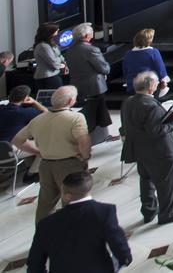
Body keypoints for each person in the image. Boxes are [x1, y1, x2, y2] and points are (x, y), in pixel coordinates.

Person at [120, 71, 173, 225]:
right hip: (159, 151)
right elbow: (156, 130)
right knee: (167, 182)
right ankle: (168, 212)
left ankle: (149, 210)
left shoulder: (129, 101)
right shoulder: (150, 106)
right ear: (150, 86)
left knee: (146, 181)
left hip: (139, 149)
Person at [26, 170, 131, 273]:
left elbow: (34, 263)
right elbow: (118, 243)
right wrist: (125, 259)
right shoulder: (104, 212)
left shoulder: (46, 224)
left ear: (67, 196)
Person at [13, 86, 90, 221]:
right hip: (69, 165)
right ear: (71, 101)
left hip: (46, 166)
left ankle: (44, 236)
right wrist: (85, 156)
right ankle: (75, 236)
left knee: (46, 205)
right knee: (74, 202)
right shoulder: (76, 117)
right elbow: (83, 142)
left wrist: (38, 151)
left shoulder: (38, 119)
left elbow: (18, 140)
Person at [121, 29, 170, 99]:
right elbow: (160, 69)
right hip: (149, 86)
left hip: (132, 86)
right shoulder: (153, 52)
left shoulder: (128, 54)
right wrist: (164, 81)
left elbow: (125, 70)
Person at [31, 24, 66, 93]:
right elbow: (54, 63)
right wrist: (61, 63)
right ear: (49, 32)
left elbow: (59, 56)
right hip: (47, 77)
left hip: (54, 75)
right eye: (56, 30)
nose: (58, 31)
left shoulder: (51, 43)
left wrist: (64, 63)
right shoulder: (43, 46)